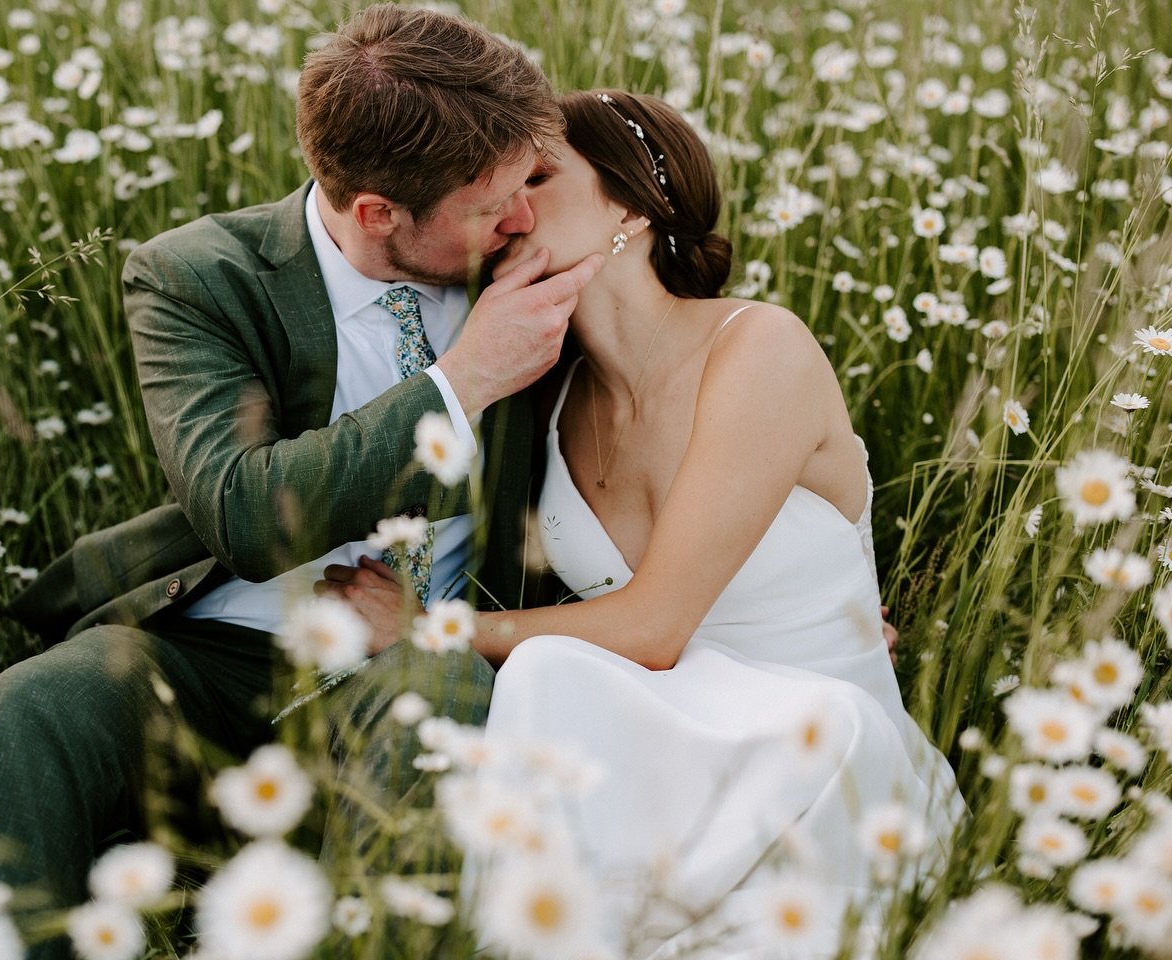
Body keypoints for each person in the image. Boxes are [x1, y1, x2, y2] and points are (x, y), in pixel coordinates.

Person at [0, 7, 603, 956]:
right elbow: (245, 512)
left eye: (525, 185)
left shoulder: (537, 268)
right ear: (376, 211)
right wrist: (465, 381)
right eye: (492, 207)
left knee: (441, 700)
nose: (523, 219)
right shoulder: (200, 276)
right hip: (222, 653)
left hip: (418, 649)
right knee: (41, 702)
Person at [322, 90, 965, 956]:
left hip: (821, 752)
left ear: (628, 203)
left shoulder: (760, 347)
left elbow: (656, 626)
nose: (509, 207)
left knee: (550, 669)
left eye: (539, 177)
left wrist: (429, 629)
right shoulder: (543, 401)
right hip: (665, 747)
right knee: (550, 675)